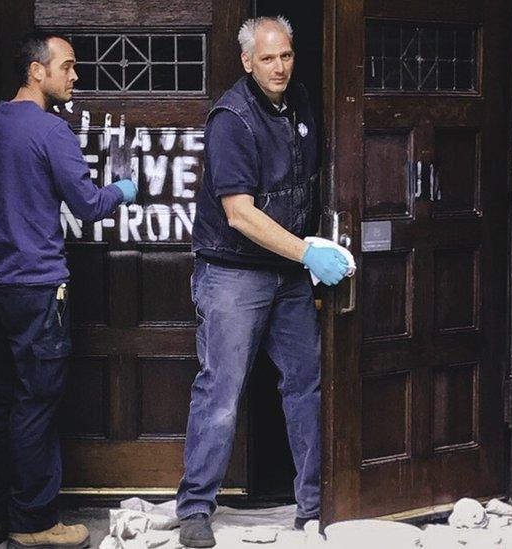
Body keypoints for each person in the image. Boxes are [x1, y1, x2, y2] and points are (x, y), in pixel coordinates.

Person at [176, 16, 351, 548]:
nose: (279, 67)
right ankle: (195, 510)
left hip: (289, 276)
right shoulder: (232, 117)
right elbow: (239, 214)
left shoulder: (298, 102)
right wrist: (308, 252)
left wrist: (309, 252)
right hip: (233, 274)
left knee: (306, 386)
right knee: (221, 392)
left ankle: (314, 506)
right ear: (247, 61)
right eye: (268, 58)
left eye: (286, 56)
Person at [0, 31, 137, 549]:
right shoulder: (49, 130)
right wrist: (122, 191)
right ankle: (35, 523)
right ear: (36, 72)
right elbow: (86, 205)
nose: (74, 75)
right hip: (38, 289)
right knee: (34, 406)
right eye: (67, 66)